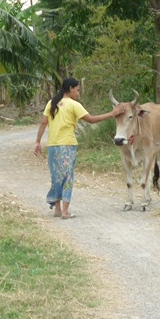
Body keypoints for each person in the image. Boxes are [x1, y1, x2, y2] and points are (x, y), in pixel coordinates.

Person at [33, 77, 125, 219]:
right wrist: (112, 114)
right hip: (68, 146)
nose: (78, 93)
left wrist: (37, 142)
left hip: (53, 146)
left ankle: (57, 209)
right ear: (70, 89)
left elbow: (43, 123)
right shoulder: (74, 105)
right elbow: (91, 119)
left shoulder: (52, 103)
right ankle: (65, 212)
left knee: (56, 177)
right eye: (77, 90)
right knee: (68, 177)